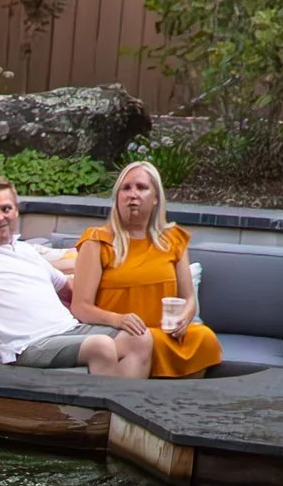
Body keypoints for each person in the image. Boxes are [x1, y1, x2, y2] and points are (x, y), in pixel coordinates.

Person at [0, 175, 151, 376]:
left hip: (68, 330)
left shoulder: (27, 251)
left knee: (140, 337)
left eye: (6, 209)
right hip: (27, 346)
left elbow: (70, 289)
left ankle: (124, 415)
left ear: (16, 212)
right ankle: (102, 418)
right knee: (101, 346)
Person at [70, 161, 221, 379]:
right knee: (140, 341)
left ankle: (178, 407)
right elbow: (81, 307)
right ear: (117, 197)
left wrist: (184, 319)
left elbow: (188, 298)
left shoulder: (173, 239)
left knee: (204, 338)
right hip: (125, 335)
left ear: (156, 197)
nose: (132, 194)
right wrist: (118, 320)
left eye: (141, 188)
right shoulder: (97, 241)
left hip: (164, 333)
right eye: (126, 188)